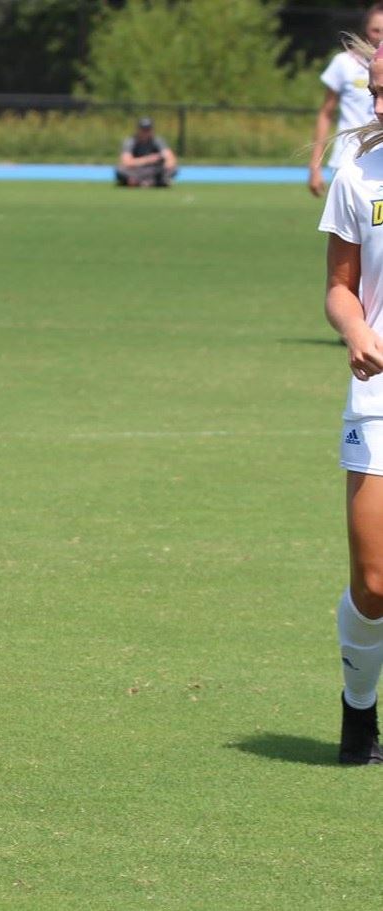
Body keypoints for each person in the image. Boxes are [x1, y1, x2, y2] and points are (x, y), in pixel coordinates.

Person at [321, 35, 383, 765]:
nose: (374, 101)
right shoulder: (359, 175)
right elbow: (339, 286)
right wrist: (356, 325)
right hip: (377, 392)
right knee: (374, 584)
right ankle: (359, 707)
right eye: (373, 85)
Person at [310, 4, 383, 198]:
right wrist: (315, 164)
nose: (380, 36)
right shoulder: (344, 63)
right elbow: (326, 113)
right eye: (376, 30)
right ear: (365, 30)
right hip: (348, 157)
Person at [114, 117, 178, 188]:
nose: (145, 132)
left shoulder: (157, 140)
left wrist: (167, 163)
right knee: (120, 170)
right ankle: (152, 182)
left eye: (148, 129)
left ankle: (140, 182)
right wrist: (148, 159)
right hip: (136, 170)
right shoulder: (130, 141)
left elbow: (170, 158)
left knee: (172, 169)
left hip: (154, 169)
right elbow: (126, 162)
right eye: (143, 129)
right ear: (138, 129)